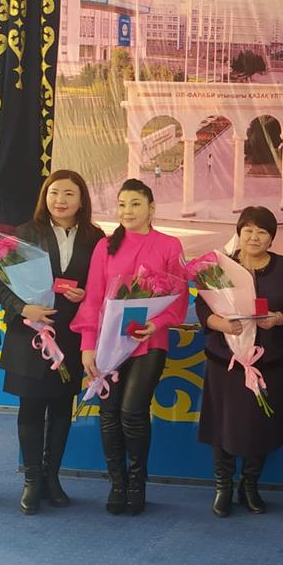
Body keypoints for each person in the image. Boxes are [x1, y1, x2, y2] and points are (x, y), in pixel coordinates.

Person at [71, 178, 188, 516]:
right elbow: (94, 298)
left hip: (149, 342)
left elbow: (179, 296)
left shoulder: (169, 245)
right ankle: (117, 484)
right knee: (108, 414)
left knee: (132, 412)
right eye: (122, 204)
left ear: (151, 208)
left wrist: (157, 323)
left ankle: (137, 483)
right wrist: (88, 345)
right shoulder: (105, 246)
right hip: (109, 343)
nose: (127, 211)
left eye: (135, 204)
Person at [0, 170, 104, 514]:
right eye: (54, 192)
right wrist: (23, 308)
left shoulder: (96, 238)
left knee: (60, 409)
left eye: (69, 194)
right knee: (30, 408)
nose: (60, 200)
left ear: (82, 200)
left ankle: (52, 477)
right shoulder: (26, 233)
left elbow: (100, 286)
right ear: (45, 196)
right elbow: (3, 285)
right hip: (30, 335)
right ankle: (31, 480)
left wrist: (86, 294)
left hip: (71, 337)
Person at [195, 206, 283, 517]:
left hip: (267, 362)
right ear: (239, 233)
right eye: (248, 230)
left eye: (262, 231)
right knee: (222, 424)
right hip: (226, 361)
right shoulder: (220, 265)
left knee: (261, 426)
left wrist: (278, 318)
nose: (254, 237)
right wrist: (220, 324)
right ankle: (223, 485)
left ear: (271, 238)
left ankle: (250, 484)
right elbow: (202, 306)